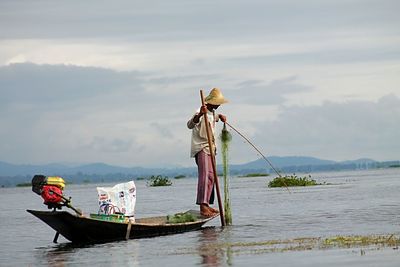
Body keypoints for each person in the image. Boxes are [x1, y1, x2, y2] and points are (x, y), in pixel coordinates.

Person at [187, 88, 228, 217]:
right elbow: (189, 125)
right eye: (217, 102)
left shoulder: (211, 113)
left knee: (211, 177)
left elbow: (211, 118)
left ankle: (207, 205)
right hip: (202, 148)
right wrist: (199, 115)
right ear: (210, 102)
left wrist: (219, 117)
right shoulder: (200, 111)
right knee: (205, 176)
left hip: (212, 148)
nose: (219, 105)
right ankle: (203, 207)